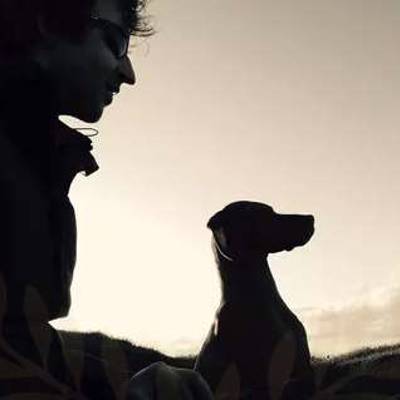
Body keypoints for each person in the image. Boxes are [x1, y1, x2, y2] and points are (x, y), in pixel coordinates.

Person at [0, 0, 315, 398]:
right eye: (115, 42)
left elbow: (22, 344)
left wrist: (136, 384)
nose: (128, 74)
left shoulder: (32, 157)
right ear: (48, 20)